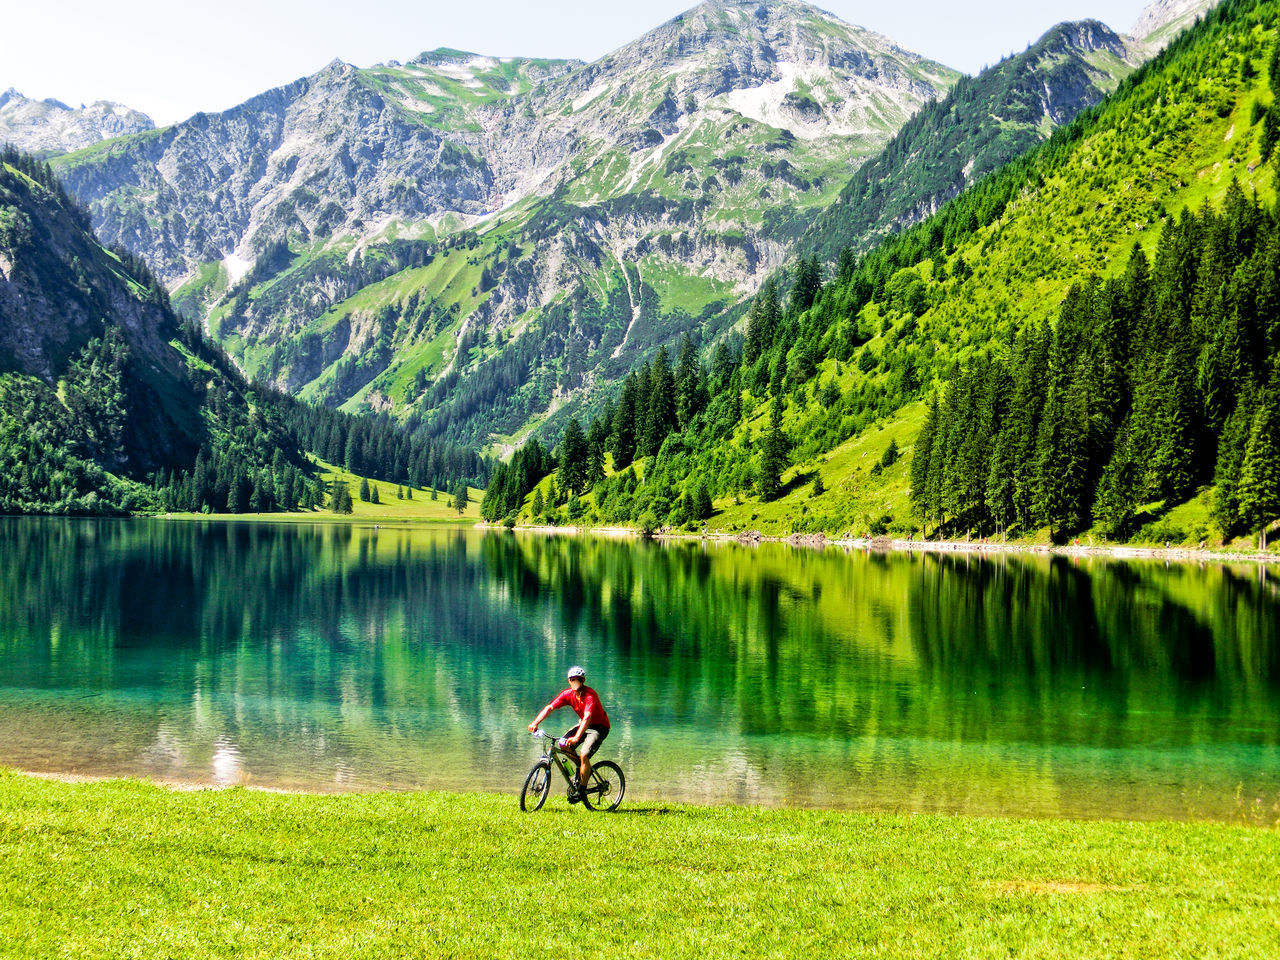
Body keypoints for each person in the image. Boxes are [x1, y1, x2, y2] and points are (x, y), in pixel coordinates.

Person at [528, 665, 611, 801]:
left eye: (578, 679)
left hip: (599, 727)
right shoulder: (568, 694)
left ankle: (581, 791)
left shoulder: (590, 695)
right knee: (563, 744)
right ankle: (581, 768)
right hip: (583, 724)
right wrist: (535, 723)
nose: (575, 681)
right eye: (572, 679)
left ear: (583, 680)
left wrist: (577, 736)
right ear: (569, 681)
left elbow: (587, 717)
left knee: (584, 755)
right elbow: (550, 707)